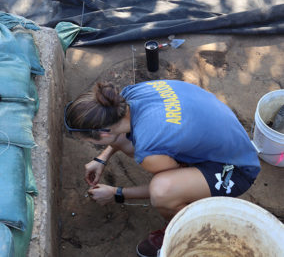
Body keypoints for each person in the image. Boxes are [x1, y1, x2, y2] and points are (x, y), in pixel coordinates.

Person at [64, 79, 260, 257]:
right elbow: (119, 132)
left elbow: (163, 187)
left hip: (237, 169)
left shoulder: (149, 152)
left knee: (163, 191)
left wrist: (116, 193)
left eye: (92, 142)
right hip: (229, 139)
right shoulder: (130, 95)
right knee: (130, 141)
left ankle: (186, 230)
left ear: (103, 134)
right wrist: (102, 158)